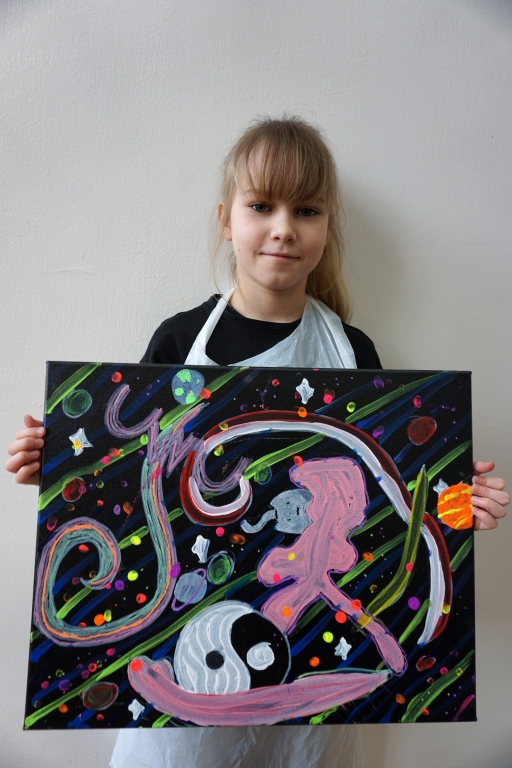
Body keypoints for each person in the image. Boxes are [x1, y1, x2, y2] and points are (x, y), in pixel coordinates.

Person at [6, 117, 509, 768]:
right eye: (261, 206)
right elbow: (129, 486)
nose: (283, 228)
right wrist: (58, 471)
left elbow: (389, 506)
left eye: (306, 210)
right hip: (184, 690)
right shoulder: (177, 343)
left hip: (310, 698)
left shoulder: (354, 355)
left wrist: (456, 506)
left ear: (327, 228)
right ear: (226, 220)